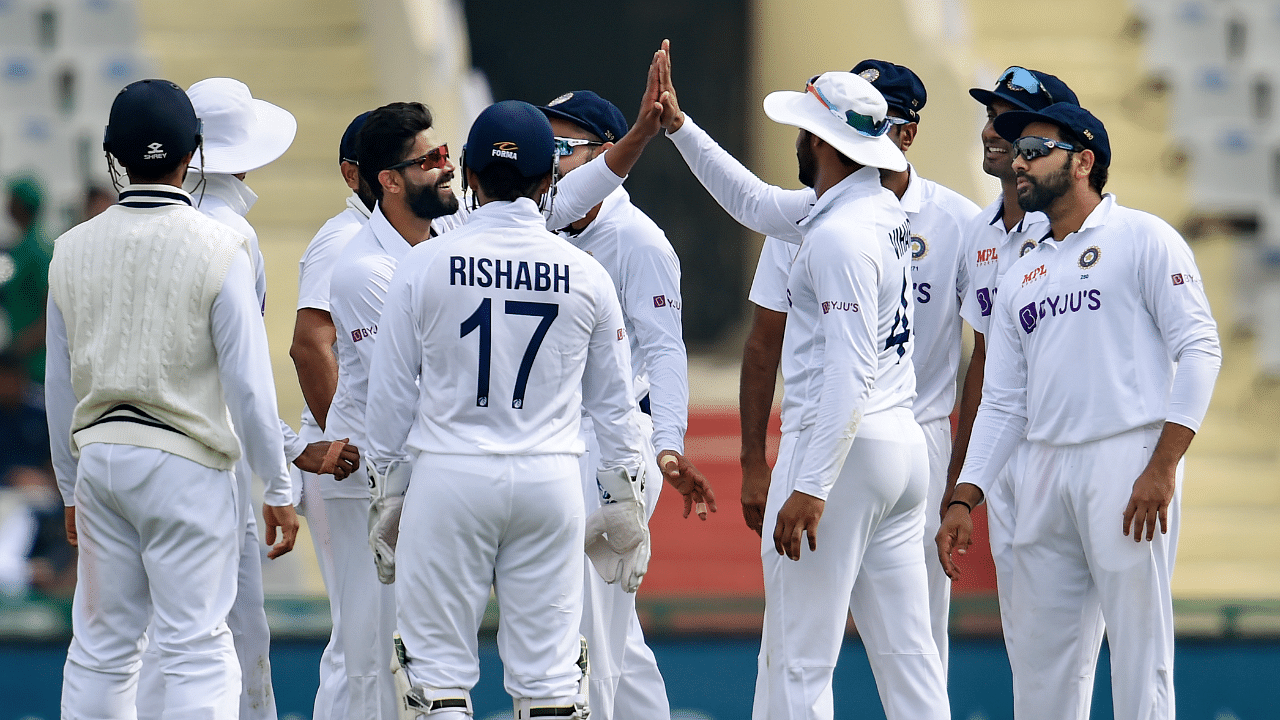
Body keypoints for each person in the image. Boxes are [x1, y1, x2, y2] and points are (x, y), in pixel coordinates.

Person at [652, 42, 950, 718]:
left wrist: (812, 484)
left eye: (801, 130)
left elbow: (848, 368)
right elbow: (754, 203)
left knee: (799, 659)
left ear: (821, 139)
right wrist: (681, 128)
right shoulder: (870, 211)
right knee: (910, 662)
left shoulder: (840, 234)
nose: (794, 140)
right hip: (897, 451)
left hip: (840, 448)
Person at [363, 98, 652, 720]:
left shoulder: (423, 265)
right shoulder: (585, 273)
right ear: (550, 179)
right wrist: (626, 497)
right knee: (551, 684)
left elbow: (389, 396)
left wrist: (386, 491)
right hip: (550, 480)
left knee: (434, 680)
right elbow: (614, 403)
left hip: (449, 476)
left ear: (468, 175)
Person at [937, 103, 1222, 720]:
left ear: (1084, 160)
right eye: (1017, 153)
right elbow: (1004, 400)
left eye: (1035, 150)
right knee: (1041, 667)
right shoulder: (1023, 273)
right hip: (1044, 467)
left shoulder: (1143, 237)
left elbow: (1200, 349)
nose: (1018, 162)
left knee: (1139, 657)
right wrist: (965, 496)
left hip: (1128, 460)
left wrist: (1163, 465)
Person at [46, 78, 298, 720]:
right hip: (188, 464)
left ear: (114, 156)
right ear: (194, 155)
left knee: (101, 651)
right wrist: (278, 486)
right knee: (196, 649)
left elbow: (58, 385)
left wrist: (71, 488)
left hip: (101, 457)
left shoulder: (70, 248)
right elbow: (247, 383)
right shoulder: (223, 244)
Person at [737, 60, 979, 671]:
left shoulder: (951, 222)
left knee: (818, 645)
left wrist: (963, 478)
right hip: (878, 439)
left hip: (891, 432)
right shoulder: (818, 213)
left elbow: (982, 355)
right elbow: (764, 340)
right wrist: (752, 461)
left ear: (907, 134)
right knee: (904, 651)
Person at [131, 77, 359, 720]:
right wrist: (284, 467)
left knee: (145, 640)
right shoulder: (231, 234)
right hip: (208, 457)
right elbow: (241, 375)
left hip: (129, 451)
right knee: (231, 636)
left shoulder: (146, 226)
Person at [537, 89, 713, 720]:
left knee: (587, 626)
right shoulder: (540, 226)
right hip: (559, 436)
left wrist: (667, 446)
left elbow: (666, 352)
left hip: (618, 444)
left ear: (609, 154)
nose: (550, 161)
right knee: (617, 634)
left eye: (564, 147)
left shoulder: (640, 243)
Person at [945, 67, 1083, 687]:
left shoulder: (1074, 231)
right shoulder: (978, 230)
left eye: (1013, 122)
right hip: (1005, 456)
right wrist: (965, 478)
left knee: (1089, 634)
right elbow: (985, 359)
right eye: (992, 118)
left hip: (1071, 446)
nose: (993, 133)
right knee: (1026, 633)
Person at [289, 109, 375, 720]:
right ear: (358, 175)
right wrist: (347, 445)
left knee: (378, 639)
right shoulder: (341, 239)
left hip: (372, 462)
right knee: (357, 640)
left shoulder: (398, 237)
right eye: (410, 160)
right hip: (349, 466)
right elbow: (309, 344)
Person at [2, 176, 52, 385]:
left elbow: (50, 311)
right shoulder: (20, 248)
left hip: (36, 361)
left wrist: (18, 348)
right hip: (20, 361)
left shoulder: (38, 250)